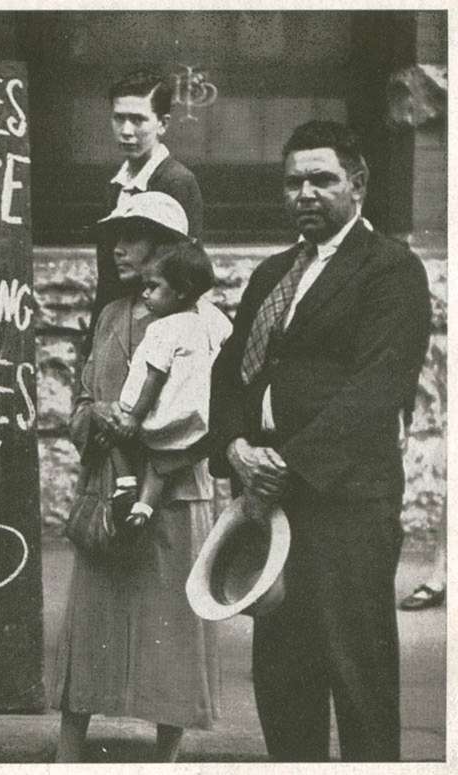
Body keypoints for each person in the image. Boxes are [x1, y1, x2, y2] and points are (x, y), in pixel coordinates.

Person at [208, 120, 431, 761]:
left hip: (346, 504)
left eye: (321, 179)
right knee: (282, 676)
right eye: (293, 182)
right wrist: (234, 450)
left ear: (357, 185)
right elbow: (228, 376)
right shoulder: (273, 273)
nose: (304, 193)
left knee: (356, 673)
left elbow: (375, 389)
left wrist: (289, 465)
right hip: (268, 503)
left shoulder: (391, 269)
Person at [53, 193, 220, 763]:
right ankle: (68, 755)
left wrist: (144, 440)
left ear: (170, 248)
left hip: (173, 494)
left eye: (135, 235)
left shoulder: (204, 324)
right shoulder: (111, 315)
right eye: (115, 236)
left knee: (170, 635)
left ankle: (166, 757)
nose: (119, 247)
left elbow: (209, 414)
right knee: (92, 628)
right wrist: (91, 421)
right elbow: (82, 396)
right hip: (109, 492)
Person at [106, 237, 231, 528]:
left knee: (113, 430)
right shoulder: (209, 322)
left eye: (152, 286)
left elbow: (154, 376)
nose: (145, 293)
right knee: (161, 463)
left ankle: (125, 482)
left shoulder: (164, 327)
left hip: (157, 410)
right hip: (192, 414)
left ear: (180, 292)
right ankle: (144, 507)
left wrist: (135, 416)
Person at [90, 70, 204, 341]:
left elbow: (184, 278)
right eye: (119, 118)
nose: (126, 131)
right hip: (116, 330)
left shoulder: (177, 182)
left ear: (162, 124)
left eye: (138, 120)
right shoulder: (116, 185)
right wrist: (92, 345)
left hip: (157, 335)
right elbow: (107, 281)